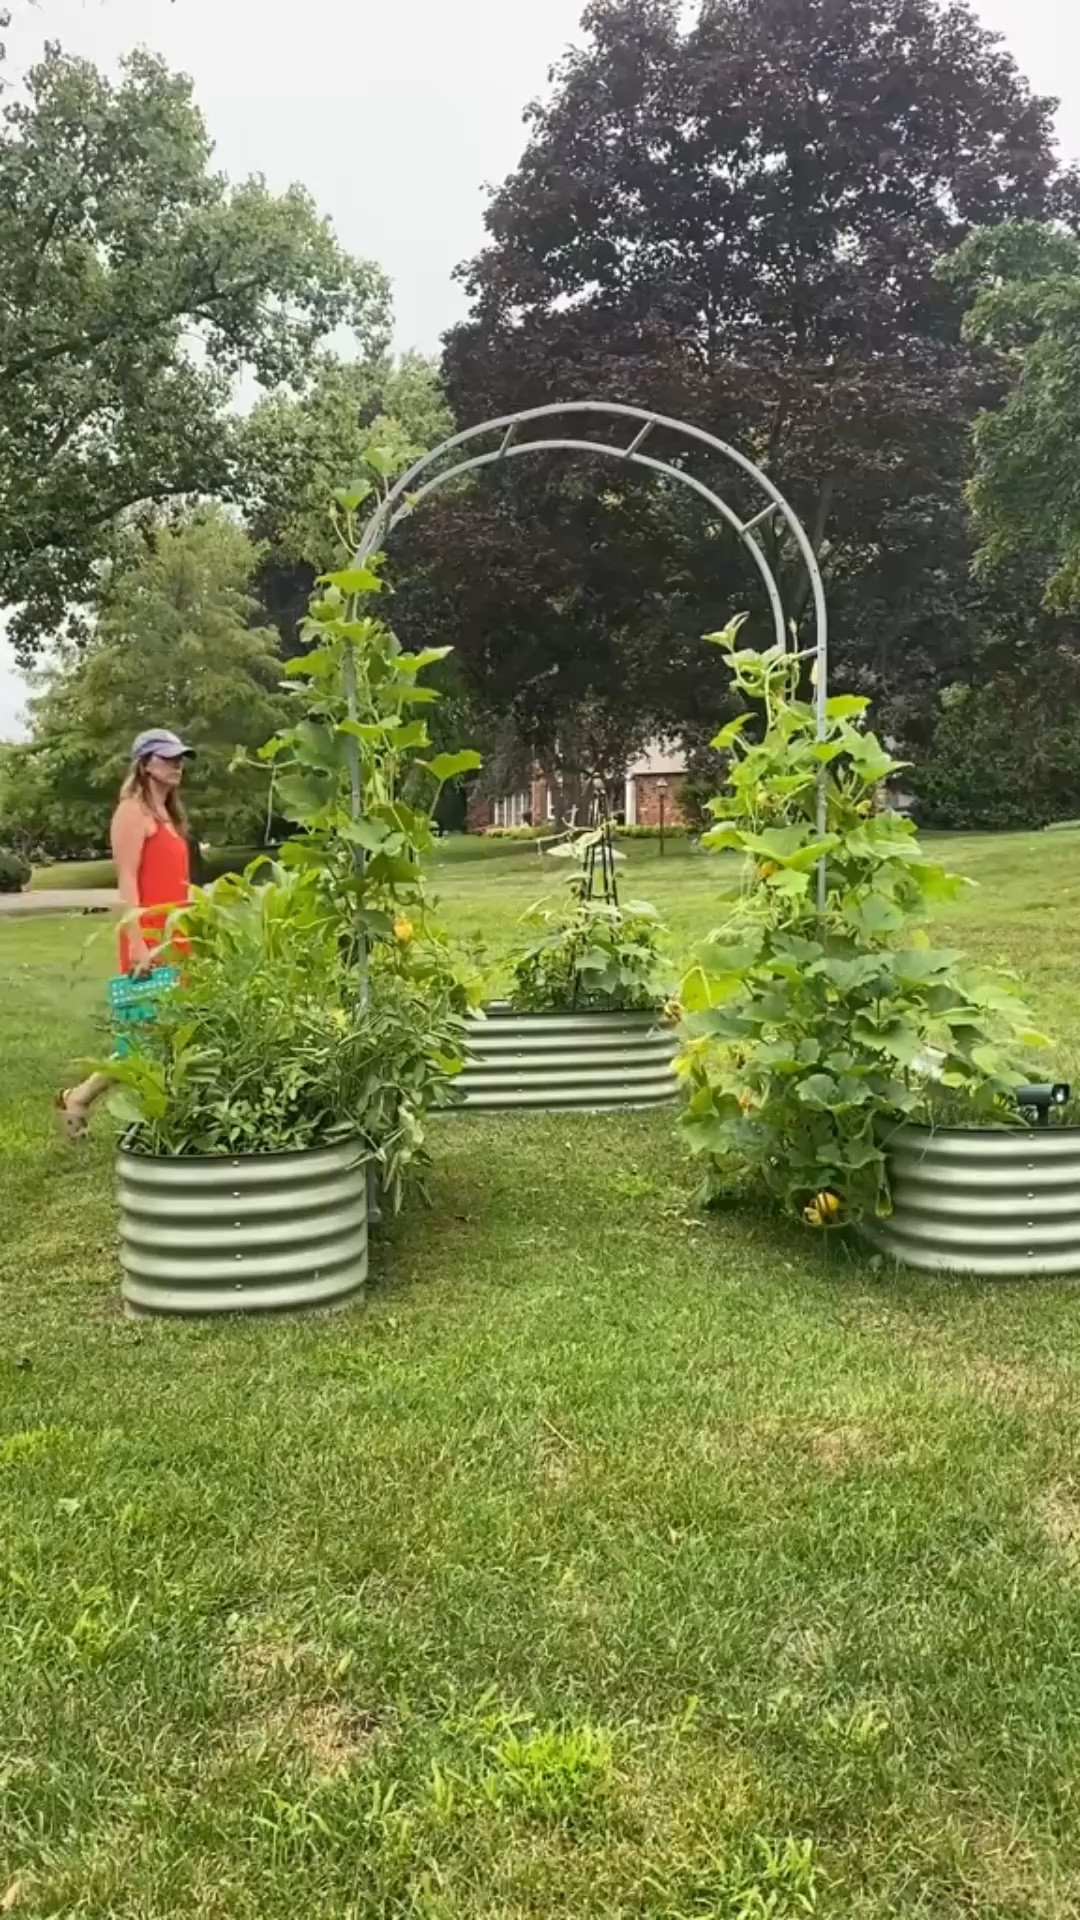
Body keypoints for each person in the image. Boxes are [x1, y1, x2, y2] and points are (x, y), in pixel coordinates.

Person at [57, 728, 194, 1140]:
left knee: (165, 1033)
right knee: (145, 1037)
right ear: (146, 763)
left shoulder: (168, 815)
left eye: (181, 758)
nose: (178, 765)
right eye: (169, 758)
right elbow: (128, 883)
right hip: (148, 937)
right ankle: (84, 1099)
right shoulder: (132, 813)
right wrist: (137, 942)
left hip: (177, 936)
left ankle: (84, 1098)